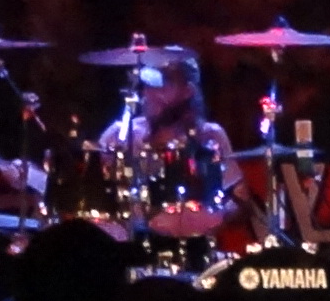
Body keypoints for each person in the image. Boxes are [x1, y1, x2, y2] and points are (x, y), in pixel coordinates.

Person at [95, 50, 242, 231]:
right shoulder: (119, 135)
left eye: (163, 84)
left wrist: (210, 219)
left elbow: (238, 196)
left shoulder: (209, 136)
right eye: (148, 84)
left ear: (188, 91)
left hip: (191, 240)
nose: (150, 93)